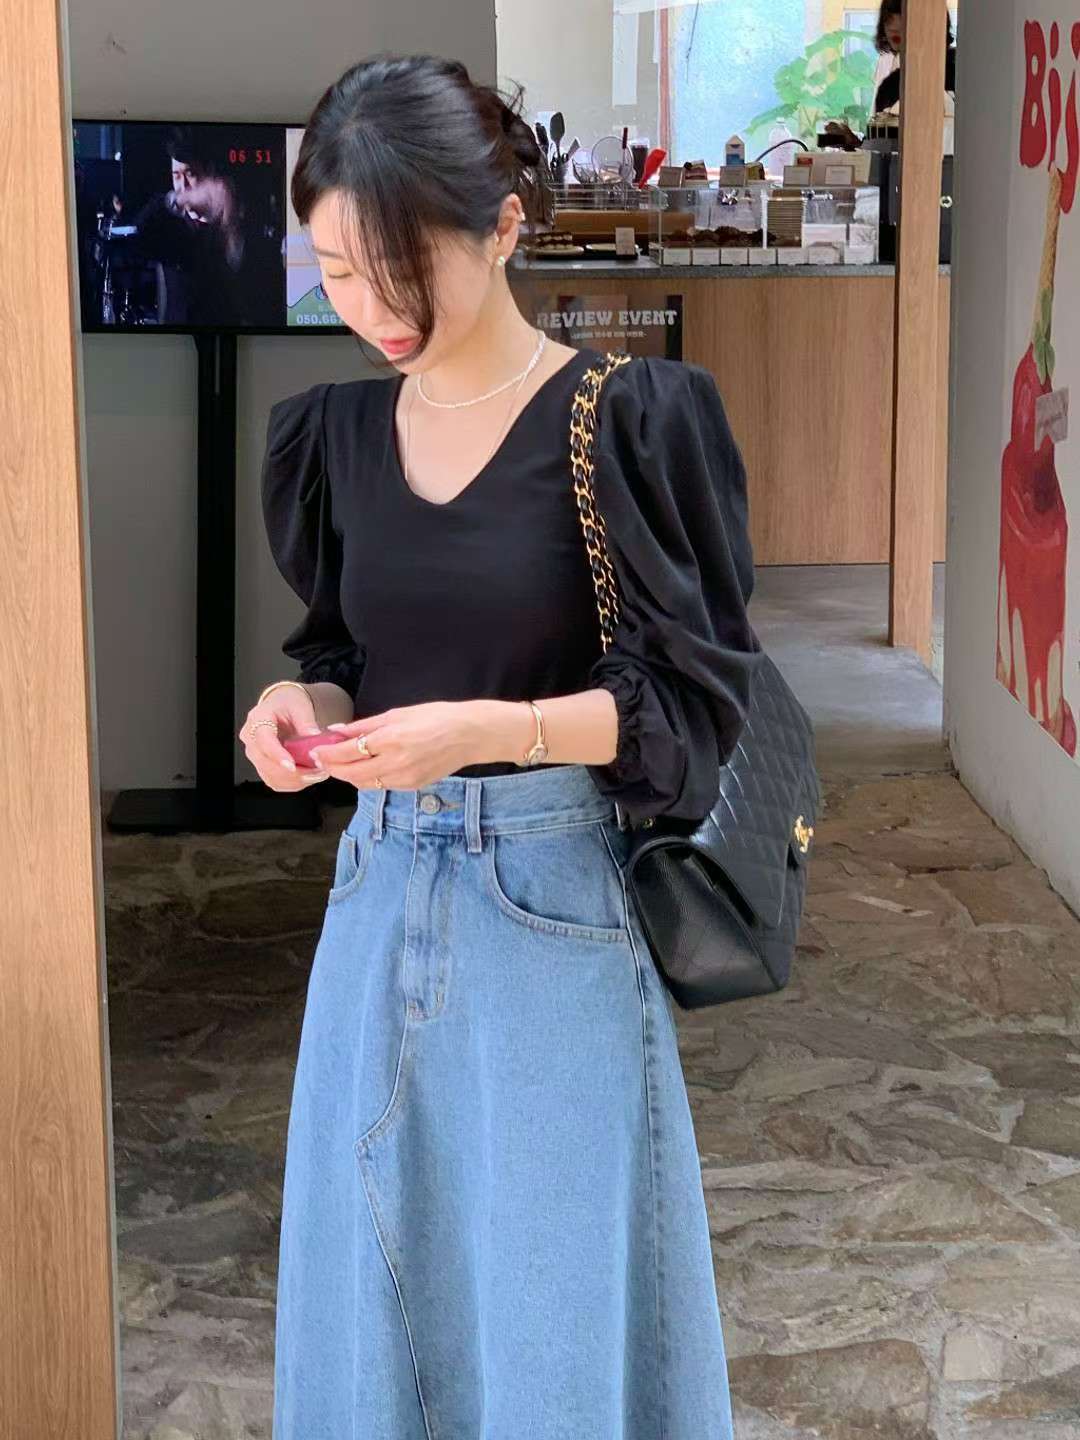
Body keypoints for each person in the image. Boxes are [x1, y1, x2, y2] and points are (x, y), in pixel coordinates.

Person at [239, 53, 760, 1440]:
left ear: (505, 226)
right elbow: (348, 666)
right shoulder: (340, 438)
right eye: (337, 275)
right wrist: (303, 717)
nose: (373, 312)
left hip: (553, 907)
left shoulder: (623, 423)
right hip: (377, 902)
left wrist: (501, 732)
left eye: (402, 271)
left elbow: (692, 709)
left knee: (552, 1317)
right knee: (369, 1303)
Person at [131, 127, 251, 325]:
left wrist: (231, 224)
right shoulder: (168, 221)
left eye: (190, 174)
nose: (182, 186)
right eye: (176, 176)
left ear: (208, 173)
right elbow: (138, 235)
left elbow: (242, 273)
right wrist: (177, 200)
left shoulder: (227, 219)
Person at [825, 0, 956, 148]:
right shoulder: (889, 84)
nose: (894, 25)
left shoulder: (961, 72)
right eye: (888, 16)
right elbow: (881, 147)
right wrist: (853, 142)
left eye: (903, 15)